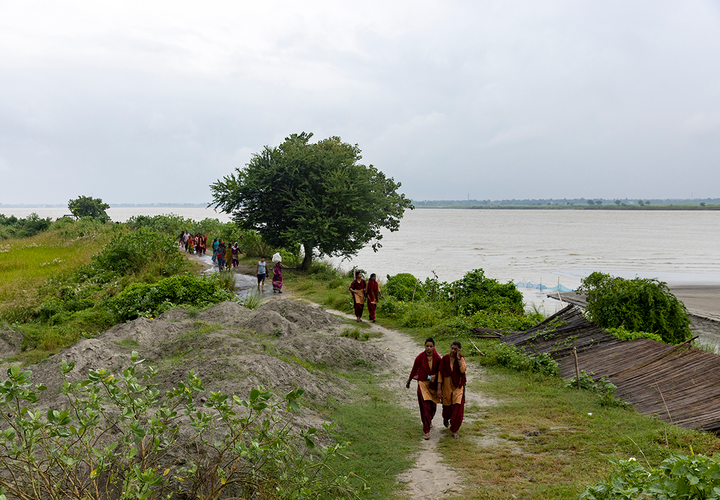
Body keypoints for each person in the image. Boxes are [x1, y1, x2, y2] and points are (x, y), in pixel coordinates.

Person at [406, 337, 442, 440]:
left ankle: (429, 420)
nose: (429, 348)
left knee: (432, 406)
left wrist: (435, 376)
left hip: (433, 385)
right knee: (425, 406)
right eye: (427, 346)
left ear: (433, 347)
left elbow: (441, 371)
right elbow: (414, 370)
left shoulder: (437, 358)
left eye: (431, 346)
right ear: (424, 347)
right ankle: (426, 430)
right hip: (422, 383)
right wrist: (409, 381)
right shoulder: (419, 358)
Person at [437, 341, 467, 439]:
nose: (453, 350)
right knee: (447, 410)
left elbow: (463, 370)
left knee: (458, 409)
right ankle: (445, 418)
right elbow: (440, 374)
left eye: (455, 349)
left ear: (458, 350)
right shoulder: (445, 359)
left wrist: (458, 359)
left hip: (458, 387)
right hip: (446, 387)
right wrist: (439, 389)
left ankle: (454, 430)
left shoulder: (461, 359)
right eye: (452, 348)